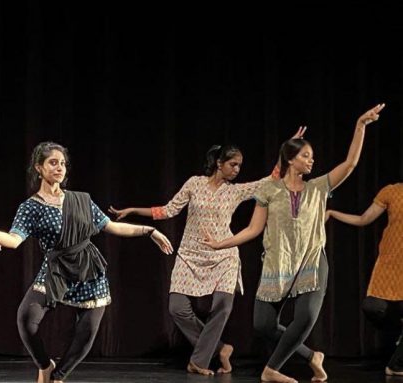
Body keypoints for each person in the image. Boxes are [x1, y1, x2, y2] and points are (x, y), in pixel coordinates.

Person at [203, 104, 385, 383]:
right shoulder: (269, 190)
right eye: (306, 155)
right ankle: (313, 356)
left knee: (305, 317)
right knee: (262, 325)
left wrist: (360, 125)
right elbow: (253, 228)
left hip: (312, 261)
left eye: (312, 156)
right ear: (291, 159)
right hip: (277, 261)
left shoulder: (319, 187)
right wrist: (220, 244)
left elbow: (350, 164)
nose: (312, 161)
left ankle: (272, 369)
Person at [0, 141, 173, 383]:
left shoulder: (81, 200)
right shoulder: (31, 207)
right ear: (39, 168)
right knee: (26, 318)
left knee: (86, 332)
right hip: (56, 269)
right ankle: (45, 365)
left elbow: (112, 226)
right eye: (53, 163)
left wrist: (150, 231)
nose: (60, 168)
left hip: (88, 268)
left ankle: (59, 377)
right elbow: (14, 240)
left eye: (63, 163)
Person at [108, 127, 305, 375]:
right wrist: (133, 210)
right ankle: (221, 349)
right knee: (177, 308)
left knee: (223, 305)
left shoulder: (235, 191)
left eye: (240, 166)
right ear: (219, 163)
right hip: (190, 254)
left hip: (224, 254)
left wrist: (287, 150)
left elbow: (272, 179)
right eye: (233, 164)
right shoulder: (194, 183)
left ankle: (199, 361)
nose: (237, 170)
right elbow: (168, 210)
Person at [327, 184, 403, 376]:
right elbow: (364, 219)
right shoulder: (392, 191)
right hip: (390, 260)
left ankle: (396, 366)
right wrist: (333, 213)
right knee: (372, 306)